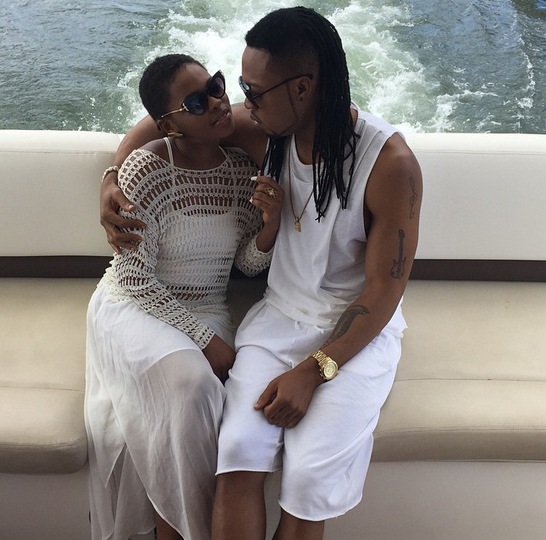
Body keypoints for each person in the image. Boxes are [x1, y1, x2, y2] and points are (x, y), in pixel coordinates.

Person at [100, 7, 422, 540]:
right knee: (237, 454)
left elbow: (385, 290)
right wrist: (112, 177)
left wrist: (314, 370)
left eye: (251, 92)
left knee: (308, 478)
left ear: (302, 88)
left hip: (353, 334)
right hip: (275, 323)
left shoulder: (388, 165)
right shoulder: (269, 129)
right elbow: (161, 122)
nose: (239, 105)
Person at [86, 53, 282, 540]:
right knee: (195, 383)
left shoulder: (241, 170)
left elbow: (245, 264)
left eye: (216, 85)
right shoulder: (146, 169)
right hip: (134, 305)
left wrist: (270, 227)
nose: (218, 101)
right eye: (197, 101)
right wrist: (206, 341)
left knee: (190, 398)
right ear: (170, 125)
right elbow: (136, 279)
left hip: (208, 306)